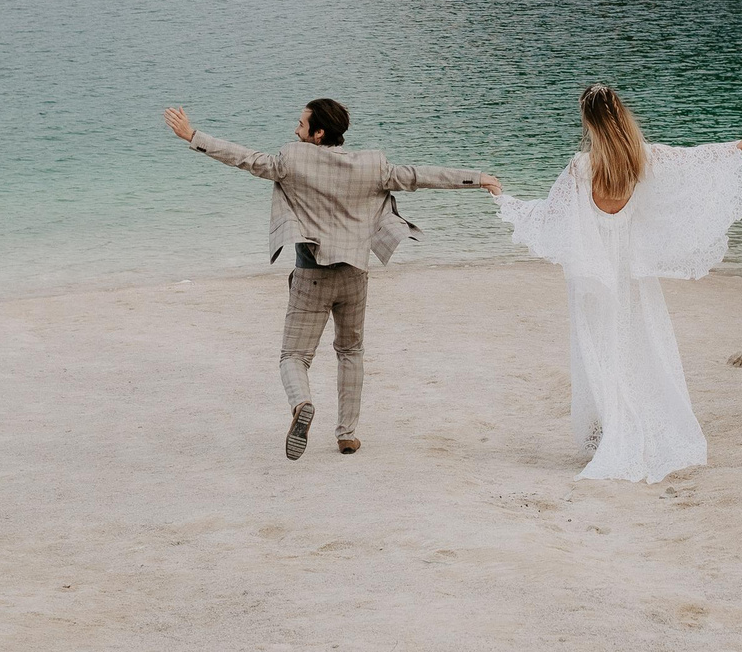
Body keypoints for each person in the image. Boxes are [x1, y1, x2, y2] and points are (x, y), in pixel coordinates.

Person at [165, 99, 499, 460]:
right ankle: (347, 435)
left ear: (319, 132)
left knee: (293, 356)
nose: (295, 129)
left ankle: (302, 403)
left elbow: (244, 158)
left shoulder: (291, 160)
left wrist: (193, 136)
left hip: (312, 276)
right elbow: (418, 176)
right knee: (351, 352)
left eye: (301, 124)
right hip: (355, 275)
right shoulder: (372, 166)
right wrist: (477, 178)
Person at [495, 86, 742, 484]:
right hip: (630, 273)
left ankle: (611, 431)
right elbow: (696, 158)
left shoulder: (580, 168)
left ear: (589, 123)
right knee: (639, 345)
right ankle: (638, 427)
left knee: (598, 347)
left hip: (595, 276)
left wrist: (505, 200)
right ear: (622, 116)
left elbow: (550, 218)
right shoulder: (642, 159)